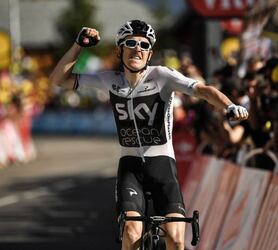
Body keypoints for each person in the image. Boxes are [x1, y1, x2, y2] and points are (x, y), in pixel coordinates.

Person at [48, 20, 248, 250]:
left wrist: (229, 106)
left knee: (174, 239)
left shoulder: (162, 76)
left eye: (144, 45)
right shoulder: (110, 80)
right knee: (132, 233)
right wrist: (78, 45)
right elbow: (58, 80)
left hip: (163, 168)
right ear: (119, 50)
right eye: (130, 43)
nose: (137, 49)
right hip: (130, 168)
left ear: (150, 53)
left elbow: (203, 90)